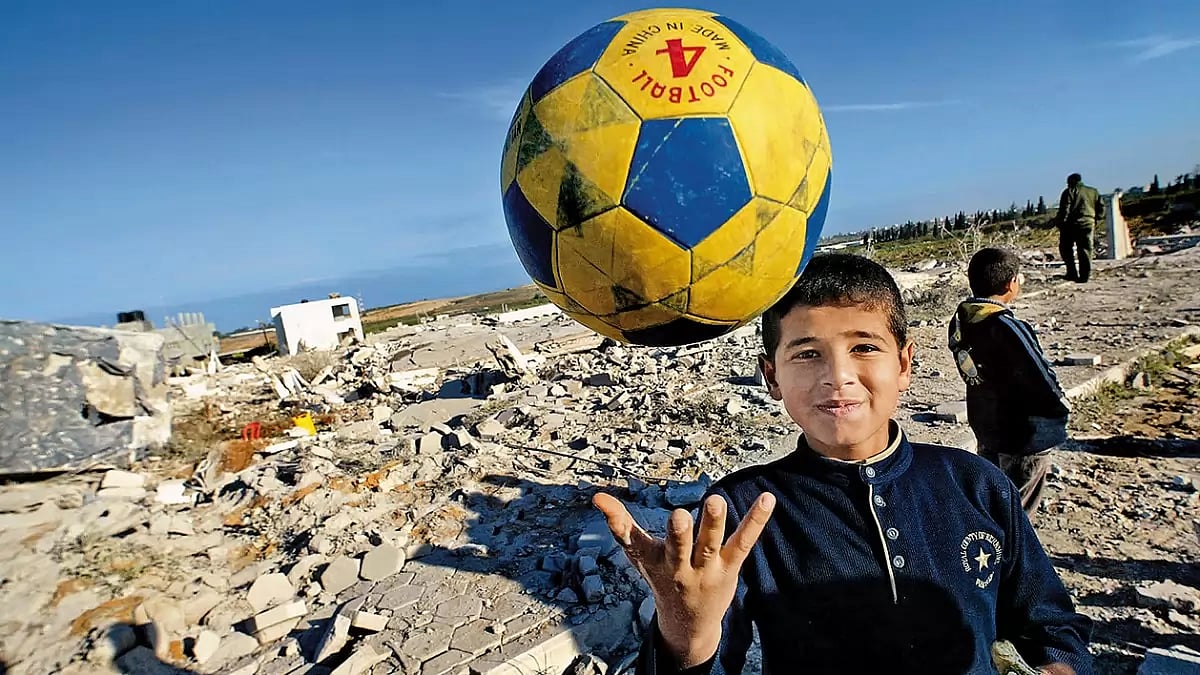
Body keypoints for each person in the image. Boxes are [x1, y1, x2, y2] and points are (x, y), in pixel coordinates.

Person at [592, 253, 1092, 675]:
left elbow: (1048, 622)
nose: (838, 377)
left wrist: (1058, 666)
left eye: (864, 347)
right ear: (771, 377)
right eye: (807, 354)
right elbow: (708, 658)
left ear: (903, 364)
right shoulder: (744, 511)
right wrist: (685, 638)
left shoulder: (975, 484)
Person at [949, 248, 1071, 521]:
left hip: (987, 423)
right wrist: (1059, 405)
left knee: (994, 497)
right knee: (1019, 506)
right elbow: (1038, 372)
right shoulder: (1005, 325)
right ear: (1010, 284)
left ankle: (990, 542)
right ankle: (1009, 557)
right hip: (1024, 433)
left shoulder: (962, 321)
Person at [1055, 173, 1104, 283]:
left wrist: (1060, 223)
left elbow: (1064, 211)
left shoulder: (1069, 192)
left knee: (1065, 248)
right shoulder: (1093, 191)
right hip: (1088, 223)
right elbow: (1101, 207)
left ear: (1071, 182)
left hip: (1072, 225)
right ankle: (1085, 276)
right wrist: (1096, 219)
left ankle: (1072, 273)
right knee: (1085, 249)